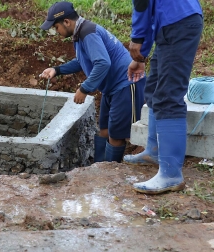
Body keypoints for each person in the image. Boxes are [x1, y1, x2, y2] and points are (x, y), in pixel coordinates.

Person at [39, 1, 145, 163]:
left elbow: (103, 63)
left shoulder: (88, 33)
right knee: (103, 130)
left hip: (126, 84)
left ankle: (109, 173)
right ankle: (98, 167)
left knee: (115, 135)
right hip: (111, 87)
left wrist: (85, 88)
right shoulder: (80, 33)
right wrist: (57, 70)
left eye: (56, 27)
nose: (56, 31)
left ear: (66, 22)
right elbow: (82, 61)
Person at [125, 0, 203, 194]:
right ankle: (154, 152)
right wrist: (140, 57)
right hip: (171, 22)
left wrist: (137, 38)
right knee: (153, 88)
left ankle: (170, 174)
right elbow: (153, 10)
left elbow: (142, 4)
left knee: (168, 96)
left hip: (178, 23)